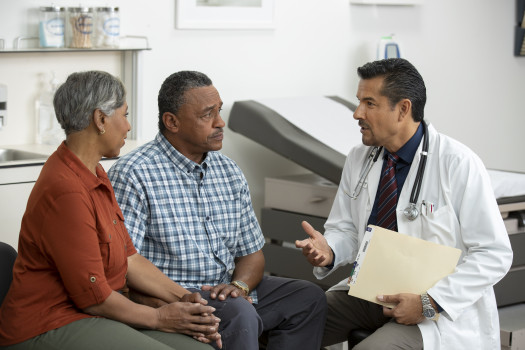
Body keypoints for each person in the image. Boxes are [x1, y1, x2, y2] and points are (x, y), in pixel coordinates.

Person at [295, 58, 513, 350]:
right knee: (290, 325)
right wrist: (330, 250)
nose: (357, 113)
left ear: (403, 109)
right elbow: (346, 228)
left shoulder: (458, 164)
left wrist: (428, 301)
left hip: (434, 308)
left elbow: (493, 253)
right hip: (368, 292)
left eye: (369, 103)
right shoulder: (360, 158)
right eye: (358, 102)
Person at [0, 71, 222, 350]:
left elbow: (129, 259)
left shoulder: (95, 173)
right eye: (124, 115)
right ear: (100, 119)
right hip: (48, 323)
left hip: (90, 312)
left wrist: (184, 299)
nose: (128, 126)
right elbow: (94, 298)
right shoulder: (65, 188)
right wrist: (160, 317)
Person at [108, 70, 327, 350]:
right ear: (171, 122)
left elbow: (252, 255)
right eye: (207, 114)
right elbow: (126, 262)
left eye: (219, 111)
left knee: (308, 297)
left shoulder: (229, 171)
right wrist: (201, 298)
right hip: (175, 295)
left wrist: (240, 287)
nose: (220, 122)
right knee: (239, 313)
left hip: (227, 292)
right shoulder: (133, 174)